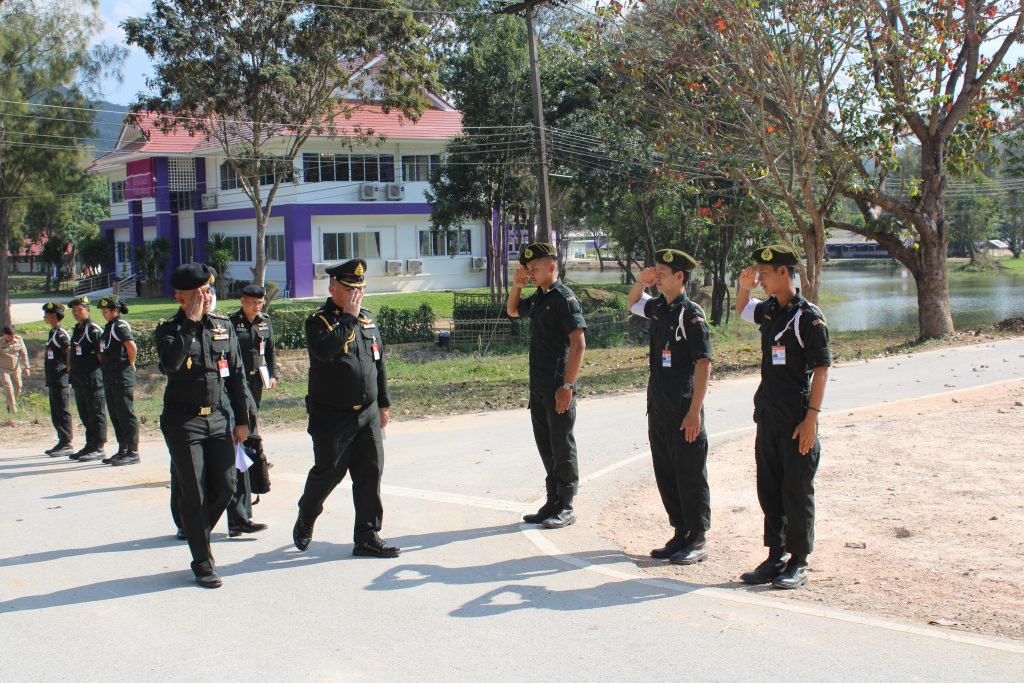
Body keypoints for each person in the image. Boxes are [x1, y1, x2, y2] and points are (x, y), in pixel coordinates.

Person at [735, 244, 832, 590]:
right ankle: (775, 556)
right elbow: (742, 308)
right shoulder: (769, 310)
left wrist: (811, 420)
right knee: (770, 487)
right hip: (769, 414)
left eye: (764, 273)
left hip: (796, 416)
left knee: (796, 489)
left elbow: (821, 370)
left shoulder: (807, 317)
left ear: (783, 272)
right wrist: (744, 287)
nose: (760, 278)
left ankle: (799, 561)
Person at [292, 258, 399, 558]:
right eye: (351, 289)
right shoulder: (319, 322)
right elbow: (325, 351)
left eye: (360, 289)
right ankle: (307, 513)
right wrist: (349, 318)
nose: (357, 295)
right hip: (332, 417)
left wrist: (384, 403)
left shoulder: (368, 320)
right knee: (328, 473)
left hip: (367, 412)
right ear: (333, 289)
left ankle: (367, 535)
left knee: (370, 471)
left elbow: (379, 364)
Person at [156, 263, 252, 588]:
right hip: (183, 421)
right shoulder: (169, 329)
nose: (206, 298)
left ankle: (196, 529)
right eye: (198, 294)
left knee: (226, 485)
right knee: (194, 491)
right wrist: (191, 323)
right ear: (180, 297)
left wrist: (243, 421)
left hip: (218, 418)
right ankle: (202, 561)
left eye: (208, 291)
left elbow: (236, 376)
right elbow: (170, 363)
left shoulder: (223, 326)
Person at [627, 249, 713, 565]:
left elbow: (704, 363)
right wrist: (641, 282)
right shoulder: (659, 308)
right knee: (666, 472)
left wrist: (694, 411)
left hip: (683, 406)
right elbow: (632, 303)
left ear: (680, 277)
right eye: (656, 272)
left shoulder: (691, 315)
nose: (658, 277)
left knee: (689, 473)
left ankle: (697, 537)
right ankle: (680, 532)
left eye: (662, 273)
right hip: (659, 405)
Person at [506, 242, 587, 529]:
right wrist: (517, 285)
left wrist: (568, 385)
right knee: (546, 446)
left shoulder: (564, 299)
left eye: (535, 268)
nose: (531, 273)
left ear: (552, 266)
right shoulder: (540, 297)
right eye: (528, 269)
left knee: (562, 446)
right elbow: (512, 310)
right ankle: (552, 500)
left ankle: (566, 505)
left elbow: (579, 344)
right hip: (539, 387)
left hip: (558, 387)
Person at [224, 284, 276, 537]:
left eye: (260, 302)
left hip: (255, 384)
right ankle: (238, 513)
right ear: (242, 301)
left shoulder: (265, 321)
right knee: (240, 441)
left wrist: (272, 374)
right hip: (236, 387)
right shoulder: (230, 324)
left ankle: (241, 513)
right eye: (253, 302)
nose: (257, 307)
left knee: (247, 439)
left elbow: (270, 350)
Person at [97, 296, 140, 466]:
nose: (104, 314)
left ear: (115, 311)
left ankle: (133, 452)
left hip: (121, 376)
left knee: (125, 414)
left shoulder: (119, 325)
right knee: (115, 414)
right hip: (110, 376)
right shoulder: (110, 327)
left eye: (106, 311)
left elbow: (131, 346)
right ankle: (123, 449)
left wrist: (131, 362)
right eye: (102, 311)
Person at [67, 296, 107, 462]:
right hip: (79, 378)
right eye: (74, 311)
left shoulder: (93, 329)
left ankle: (98, 447)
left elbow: (100, 355)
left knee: (95, 413)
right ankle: (90, 444)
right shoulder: (78, 328)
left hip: (92, 378)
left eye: (80, 310)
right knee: (85, 413)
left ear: (88, 310)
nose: (76, 313)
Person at [42, 303, 75, 457]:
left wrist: (68, 367)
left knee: (62, 411)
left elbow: (69, 349)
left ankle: (67, 443)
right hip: (53, 378)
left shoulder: (61, 333)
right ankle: (62, 440)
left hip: (60, 378)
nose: (44, 317)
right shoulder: (53, 332)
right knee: (56, 411)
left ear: (54, 316)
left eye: (47, 314)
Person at [0, 325, 31, 414]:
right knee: (9, 386)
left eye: (13, 336)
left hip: (16, 368)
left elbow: (24, 354)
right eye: (9, 336)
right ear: (4, 335)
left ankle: (10, 404)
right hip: (3, 369)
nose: (11, 338)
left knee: (19, 386)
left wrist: (27, 367)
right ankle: (13, 410)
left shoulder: (19, 340)